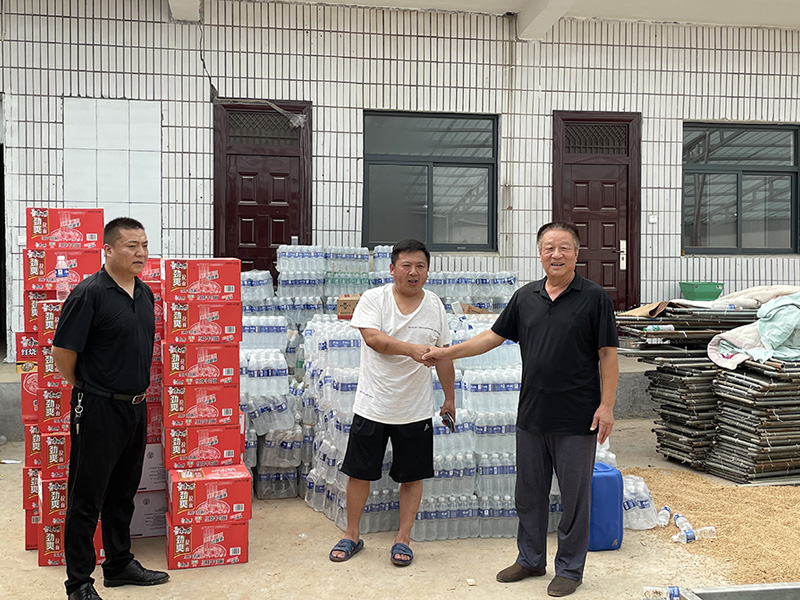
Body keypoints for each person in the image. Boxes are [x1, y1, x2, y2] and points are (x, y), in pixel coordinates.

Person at [423, 222, 618, 598]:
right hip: (532, 413)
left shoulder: (594, 298)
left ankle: (570, 568)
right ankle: (530, 559)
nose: (556, 254)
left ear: (576, 254)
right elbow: (492, 337)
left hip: (577, 417)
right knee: (529, 494)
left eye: (564, 248)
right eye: (549, 248)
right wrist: (447, 353)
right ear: (539, 254)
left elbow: (608, 356)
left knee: (574, 499)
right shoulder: (526, 296)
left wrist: (606, 406)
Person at [52, 218, 169, 600]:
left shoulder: (145, 293)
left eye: (144, 245)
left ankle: (118, 564)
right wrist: (90, 388)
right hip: (98, 407)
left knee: (123, 492)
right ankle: (79, 584)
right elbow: (63, 352)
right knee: (87, 497)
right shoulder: (89, 293)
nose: (141, 253)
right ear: (108, 249)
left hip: (135, 407)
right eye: (131, 245)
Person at [328, 239, 455, 567]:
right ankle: (351, 534)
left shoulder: (435, 305)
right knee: (359, 473)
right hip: (373, 404)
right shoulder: (375, 299)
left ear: (427, 271)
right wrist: (412, 350)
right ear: (392, 269)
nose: (414, 272)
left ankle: (403, 538)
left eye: (420, 266)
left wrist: (449, 398)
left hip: (415, 408)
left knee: (412, 476)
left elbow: (443, 355)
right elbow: (374, 339)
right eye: (406, 266)